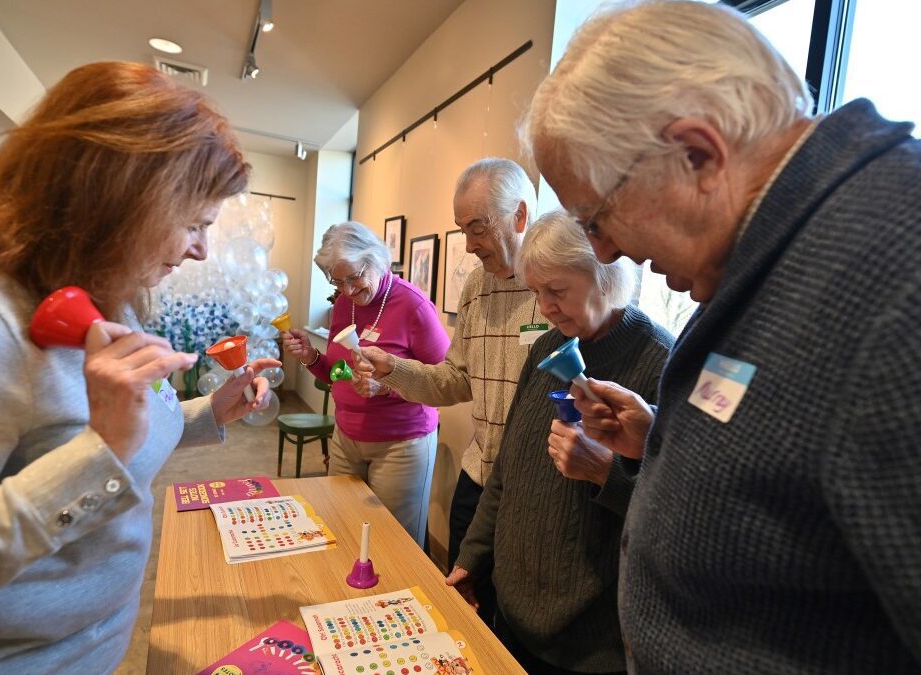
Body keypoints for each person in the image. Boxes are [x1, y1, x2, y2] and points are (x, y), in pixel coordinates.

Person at [522, 2, 921, 673]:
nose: (604, 250)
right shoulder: (770, 255)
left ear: (698, 154)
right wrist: (659, 439)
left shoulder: (910, 265)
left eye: (597, 218)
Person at [0, 62, 278, 673]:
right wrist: (96, 453)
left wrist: (205, 412)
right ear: (120, 201)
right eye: (191, 223)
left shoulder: (108, 295)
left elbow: (119, 427)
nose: (201, 249)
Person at [445, 212, 673, 674]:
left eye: (557, 291)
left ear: (604, 275)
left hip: (588, 645)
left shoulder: (660, 363)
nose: (545, 307)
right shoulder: (547, 349)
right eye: (536, 292)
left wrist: (604, 473)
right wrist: (472, 558)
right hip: (510, 614)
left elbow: (676, 515)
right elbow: (506, 471)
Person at [356, 157, 539, 627]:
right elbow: (454, 379)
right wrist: (392, 368)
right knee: (466, 605)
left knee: (514, 623)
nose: (469, 245)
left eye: (478, 227)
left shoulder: (557, 286)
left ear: (520, 216)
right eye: (462, 229)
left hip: (532, 491)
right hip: (478, 480)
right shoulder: (476, 287)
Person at [283, 222, 449, 547]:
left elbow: (443, 382)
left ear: (376, 259)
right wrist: (310, 357)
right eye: (336, 280)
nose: (346, 290)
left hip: (400, 444)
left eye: (354, 277)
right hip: (346, 437)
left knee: (392, 544)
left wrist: (387, 386)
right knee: (342, 529)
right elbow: (338, 371)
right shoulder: (346, 304)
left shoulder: (413, 306)